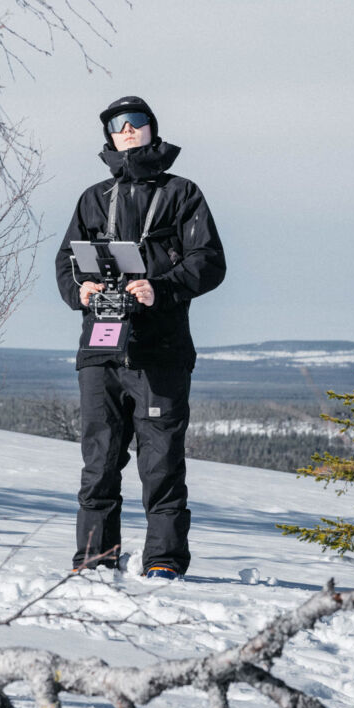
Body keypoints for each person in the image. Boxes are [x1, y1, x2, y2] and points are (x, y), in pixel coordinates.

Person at [55, 95, 226, 579]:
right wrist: (80, 290)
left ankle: (163, 563)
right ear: (107, 136)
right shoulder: (94, 199)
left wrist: (161, 288)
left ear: (153, 128)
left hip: (161, 352)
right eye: (116, 124)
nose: (126, 130)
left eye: (136, 122)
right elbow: (65, 261)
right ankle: (93, 561)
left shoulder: (183, 193)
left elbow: (209, 262)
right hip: (100, 349)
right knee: (99, 462)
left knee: (161, 464)